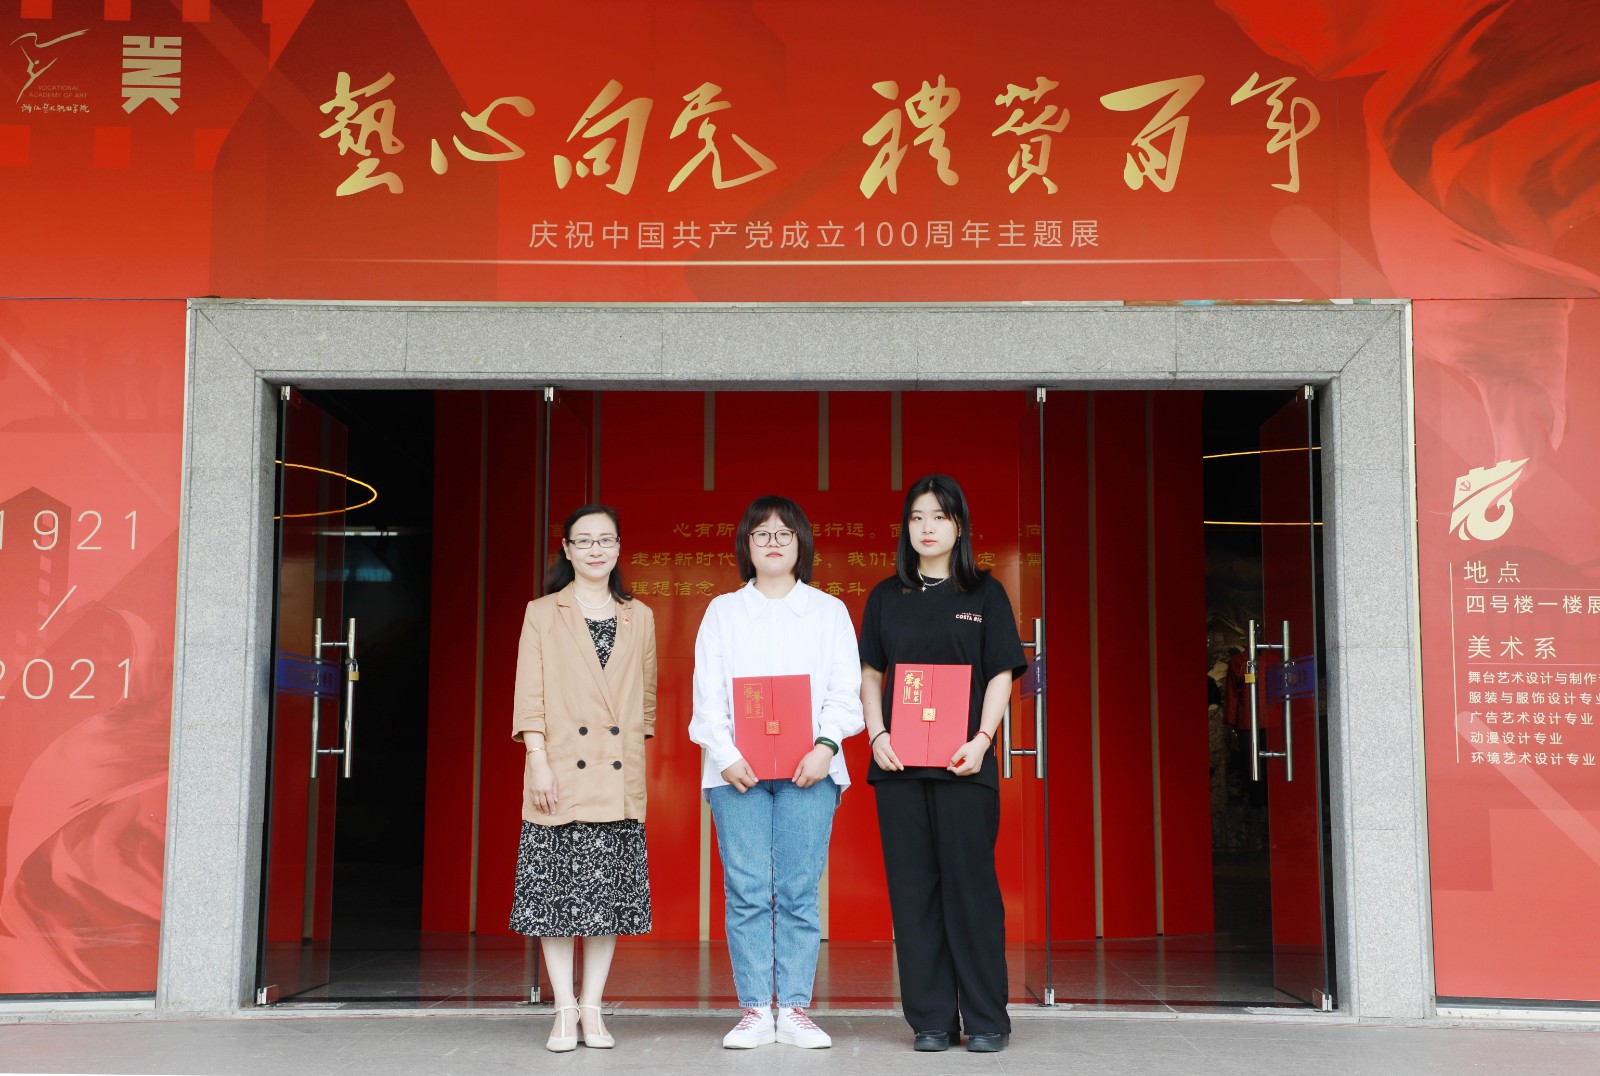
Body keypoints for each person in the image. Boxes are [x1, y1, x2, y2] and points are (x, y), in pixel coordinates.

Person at [689, 495, 865, 1050]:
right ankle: (753, 1010)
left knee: (797, 890)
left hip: (810, 770)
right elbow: (707, 695)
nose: (772, 542)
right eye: (760, 533)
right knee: (745, 889)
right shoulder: (722, 611)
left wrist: (825, 746)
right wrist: (725, 754)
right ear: (746, 545)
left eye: (783, 533)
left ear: (800, 544)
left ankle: (792, 1007)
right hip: (735, 773)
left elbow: (845, 691)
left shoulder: (828, 611)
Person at [858, 474, 1026, 1054]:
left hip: (964, 766)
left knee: (971, 891)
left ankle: (986, 1019)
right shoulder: (886, 596)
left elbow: (1001, 673)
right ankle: (930, 1019)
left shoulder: (985, 594)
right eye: (916, 517)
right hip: (898, 767)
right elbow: (871, 674)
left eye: (939, 516)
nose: (926, 527)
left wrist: (982, 739)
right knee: (914, 894)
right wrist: (877, 733)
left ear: (959, 526)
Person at [510, 504, 657, 1053]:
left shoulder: (640, 615)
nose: (597, 549)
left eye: (606, 539)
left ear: (618, 548)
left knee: (605, 900)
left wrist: (630, 753)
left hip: (615, 776)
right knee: (554, 898)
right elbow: (530, 692)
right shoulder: (542, 612)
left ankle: (592, 1008)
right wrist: (537, 757)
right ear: (567, 550)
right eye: (584, 540)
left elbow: (645, 699)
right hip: (558, 769)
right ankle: (563, 1009)